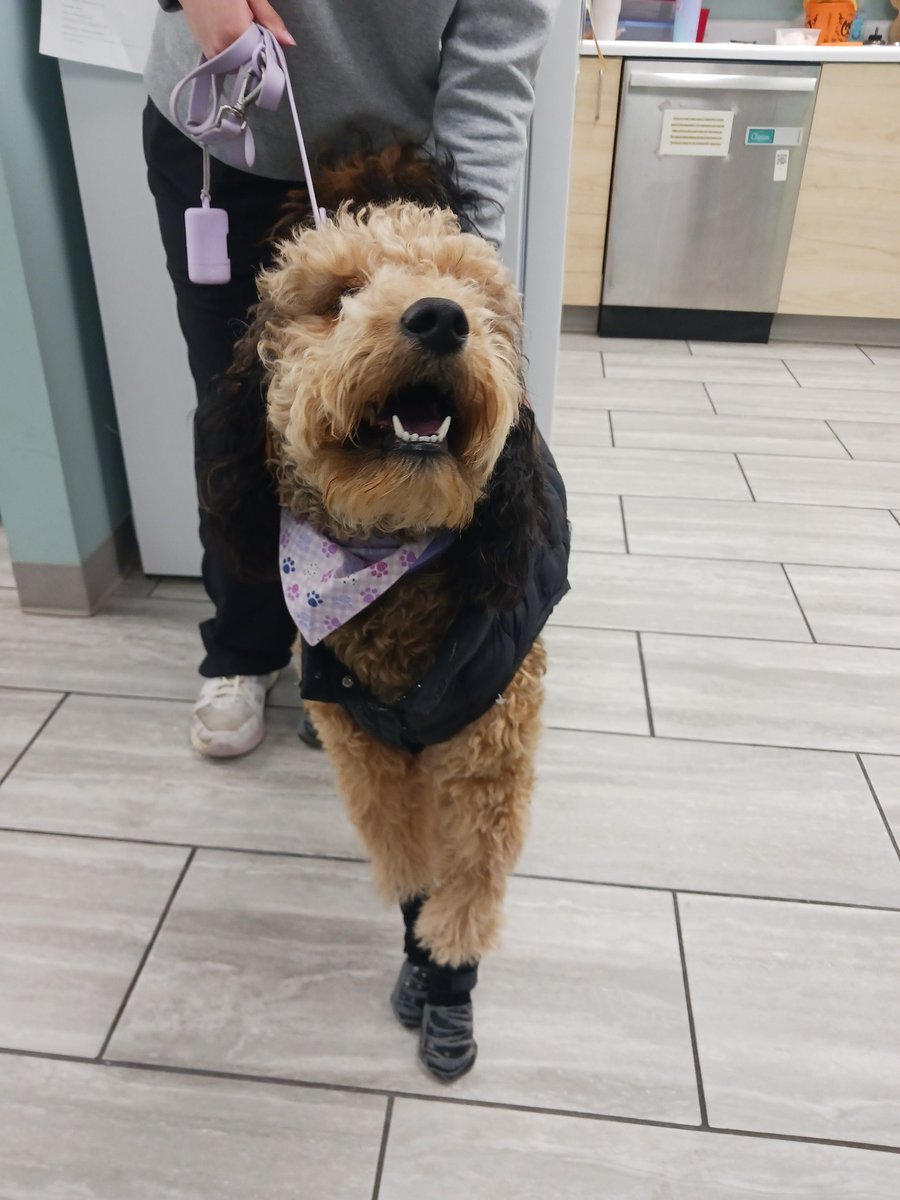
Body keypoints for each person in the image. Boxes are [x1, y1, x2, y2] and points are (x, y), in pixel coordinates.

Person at [144, 0, 560, 757]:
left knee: (423, 414)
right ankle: (247, 647)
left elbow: (503, 31)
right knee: (240, 414)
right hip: (224, 131)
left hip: (413, 154)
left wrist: (462, 256)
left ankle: (354, 667)